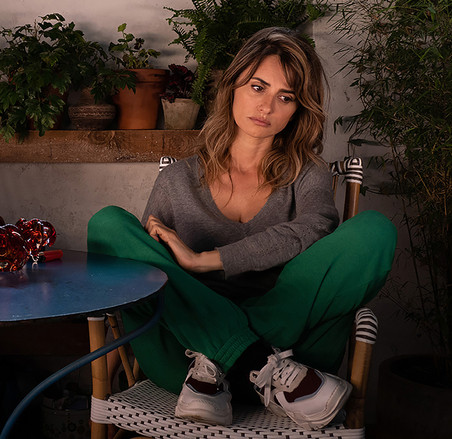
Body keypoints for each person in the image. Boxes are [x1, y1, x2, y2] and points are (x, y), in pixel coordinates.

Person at [87, 27, 396, 430]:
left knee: (374, 230)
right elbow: (142, 278)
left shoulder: (308, 176)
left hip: (295, 359)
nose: (266, 106)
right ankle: (251, 360)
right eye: (258, 86)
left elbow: (315, 228)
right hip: (193, 369)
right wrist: (105, 376)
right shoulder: (177, 180)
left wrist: (204, 260)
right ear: (232, 86)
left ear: (298, 110)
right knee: (108, 225)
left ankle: (233, 359)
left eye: (285, 97)